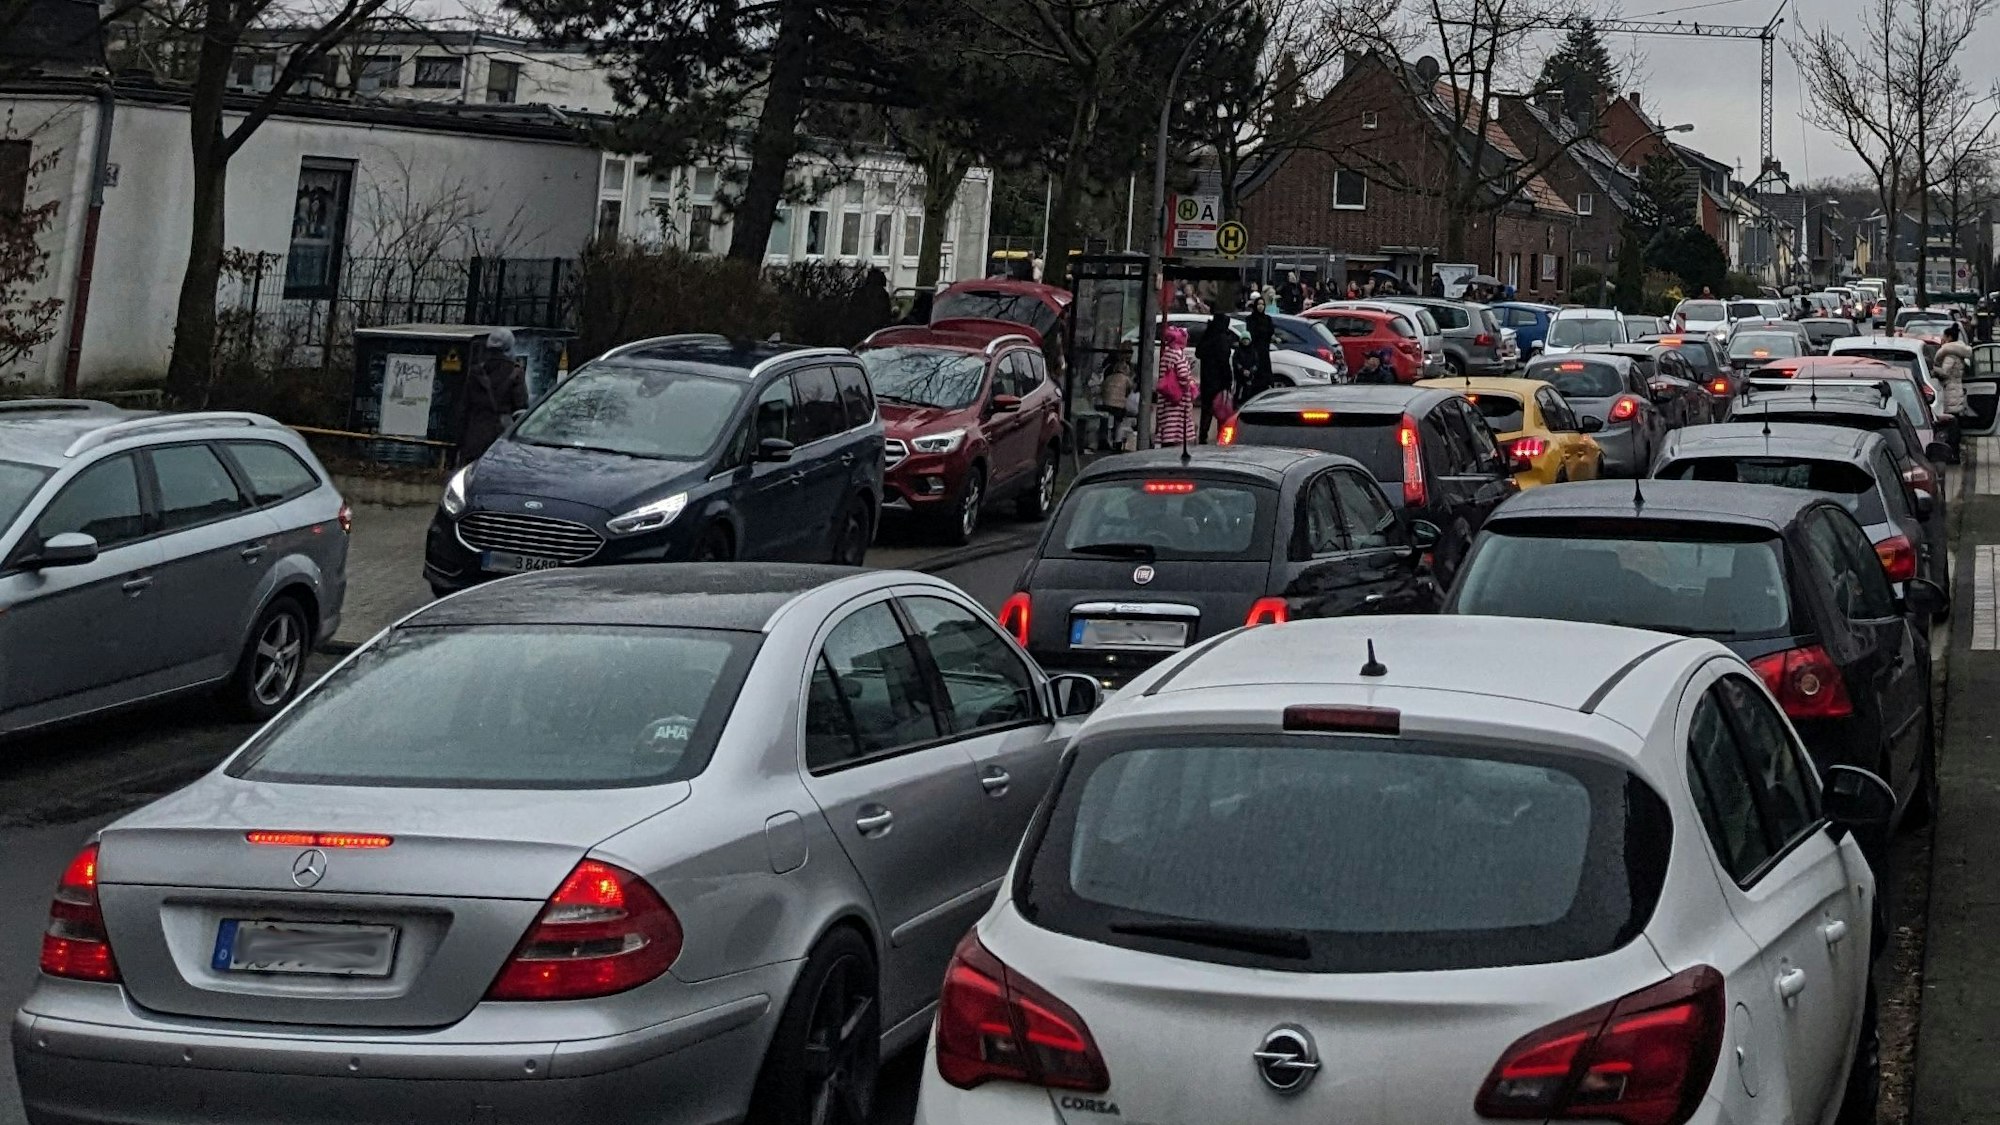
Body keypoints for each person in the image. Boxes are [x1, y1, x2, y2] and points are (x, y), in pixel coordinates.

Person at [458, 328, 529, 465]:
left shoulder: (476, 371)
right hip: (501, 436)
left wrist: (460, 441)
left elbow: (464, 407)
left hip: (475, 435)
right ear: (509, 346)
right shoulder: (515, 372)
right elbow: (521, 408)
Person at [1154, 325, 1199, 448]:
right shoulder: (1178, 354)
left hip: (1166, 396)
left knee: (1167, 425)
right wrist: (1190, 384)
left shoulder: (1167, 353)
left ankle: (1167, 445)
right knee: (1177, 428)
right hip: (1178, 399)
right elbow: (1183, 375)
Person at [1196, 311, 1235, 441]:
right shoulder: (1221, 339)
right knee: (1221, 409)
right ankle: (1221, 436)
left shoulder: (1208, 335)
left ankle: (1203, 435)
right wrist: (1228, 380)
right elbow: (1223, 362)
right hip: (1219, 381)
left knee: (1206, 410)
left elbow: (1198, 353)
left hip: (1206, 379)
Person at [1937, 325, 1974, 461]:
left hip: (1951, 392)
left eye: (1944, 336)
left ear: (1949, 338)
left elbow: (1945, 373)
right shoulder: (1958, 353)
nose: (1942, 339)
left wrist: (1935, 369)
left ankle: (1953, 454)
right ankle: (1955, 453)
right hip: (1956, 390)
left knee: (1952, 425)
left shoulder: (1950, 355)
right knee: (1955, 424)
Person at [1094, 352, 1133, 453]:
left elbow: (1102, 389)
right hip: (1119, 406)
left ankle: (1103, 439)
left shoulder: (1109, 377)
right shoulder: (1126, 379)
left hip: (1106, 404)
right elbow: (1129, 390)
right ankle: (1118, 443)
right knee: (1119, 423)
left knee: (1105, 419)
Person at [1243, 299, 1277, 401]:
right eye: (1258, 304)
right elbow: (1250, 334)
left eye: (1262, 304)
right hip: (1254, 351)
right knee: (1256, 376)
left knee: (1265, 375)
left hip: (1265, 351)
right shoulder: (1250, 319)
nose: (1260, 306)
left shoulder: (1267, 319)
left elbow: (1271, 332)